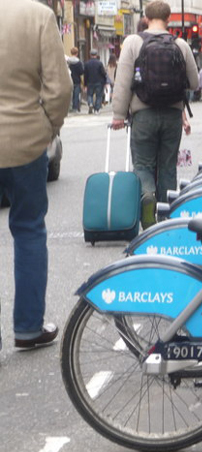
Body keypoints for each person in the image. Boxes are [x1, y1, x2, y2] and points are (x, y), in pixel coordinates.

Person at [0, 0, 72, 349]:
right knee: (29, 230)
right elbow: (59, 87)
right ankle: (28, 327)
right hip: (24, 139)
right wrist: (49, 127)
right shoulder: (38, 15)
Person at [111, 0, 199, 228]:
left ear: (146, 18)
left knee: (143, 164)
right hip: (172, 114)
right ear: (168, 19)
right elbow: (195, 82)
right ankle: (166, 217)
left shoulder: (132, 42)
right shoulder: (180, 44)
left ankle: (147, 196)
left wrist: (119, 115)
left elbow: (122, 82)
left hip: (143, 114)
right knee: (168, 166)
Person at [84, 49, 107, 114]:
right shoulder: (99, 63)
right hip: (99, 82)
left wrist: (85, 84)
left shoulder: (87, 63)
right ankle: (97, 109)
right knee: (99, 95)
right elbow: (103, 73)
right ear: (96, 55)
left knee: (90, 95)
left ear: (90, 55)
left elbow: (85, 74)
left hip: (90, 82)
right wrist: (105, 81)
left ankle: (90, 103)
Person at [67, 47, 84, 113]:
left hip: (69, 79)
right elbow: (81, 72)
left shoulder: (68, 61)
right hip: (77, 80)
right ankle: (75, 107)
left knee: (69, 94)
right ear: (77, 53)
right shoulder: (79, 62)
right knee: (76, 95)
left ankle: (69, 107)